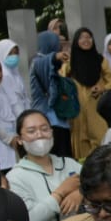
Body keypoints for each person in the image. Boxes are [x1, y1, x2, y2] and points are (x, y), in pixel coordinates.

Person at [5, 109, 82, 221]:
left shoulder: (69, 164)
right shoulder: (15, 177)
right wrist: (59, 194)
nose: (40, 135)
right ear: (20, 139)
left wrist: (81, 193)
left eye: (44, 129)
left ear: (52, 132)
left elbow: (98, 186)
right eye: (31, 131)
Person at [64, 27, 111, 160]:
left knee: (101, 138)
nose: (86, 40)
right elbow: (61, 80)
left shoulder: (100, 60)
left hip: (96, 106)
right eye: (82, 37)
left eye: (88, 37)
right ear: (76, 41)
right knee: (81, 143)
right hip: (77, 110)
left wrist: (102, 88)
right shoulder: (70, 63)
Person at [29, 30, 74, 159]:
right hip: (48, 121)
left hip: (60, 120)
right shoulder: (37, 62)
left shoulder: (56, 64)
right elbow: (44, 64)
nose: (59, 46)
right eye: (57, 43)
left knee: (64, 161)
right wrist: (56, 56)